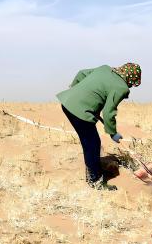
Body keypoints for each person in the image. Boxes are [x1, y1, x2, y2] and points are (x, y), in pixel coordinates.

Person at [56, 63, 142, 191]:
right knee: (92, 144)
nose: (130, 86)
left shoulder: (104, 69)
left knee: (91, 141)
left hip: (67, 102)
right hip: (80, 112)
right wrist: (113, 133)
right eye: (133, 83)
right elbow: (108, 112)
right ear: (131, 79)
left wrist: (75, 91)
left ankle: (95, 171)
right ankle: (95, 181)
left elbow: (81, 73)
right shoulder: (121, 87)